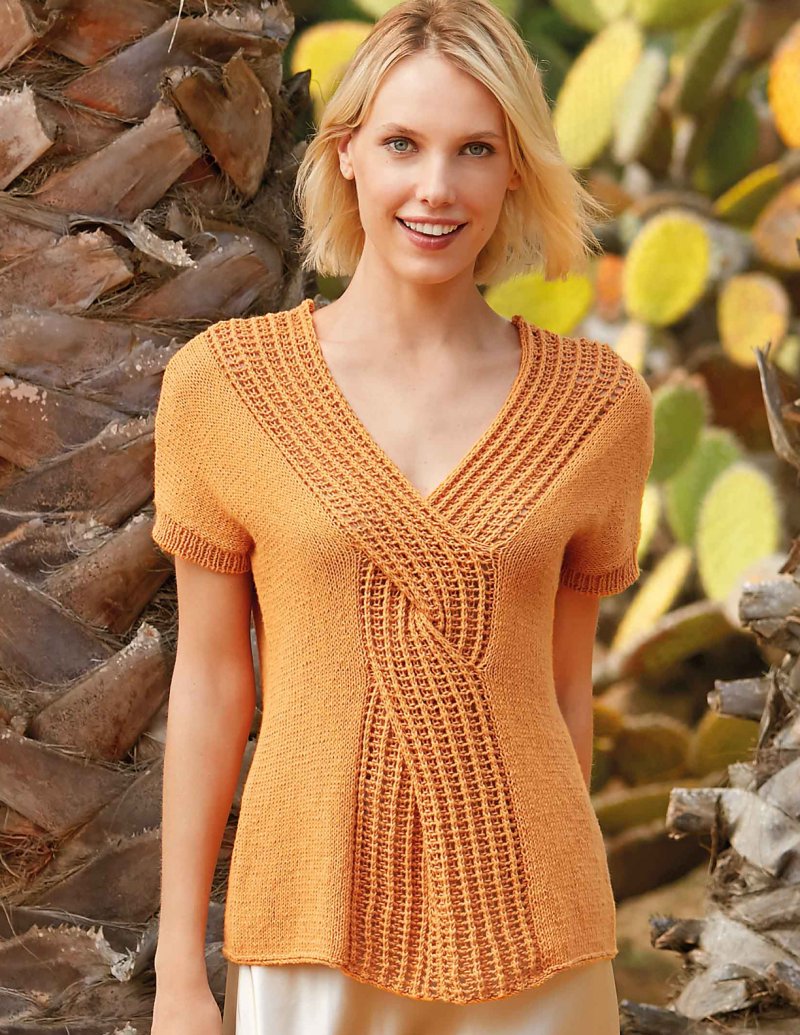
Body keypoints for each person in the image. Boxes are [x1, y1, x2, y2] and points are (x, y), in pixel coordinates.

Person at [150, 1, 655, 1033]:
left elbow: (566, 693)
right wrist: (176, 972)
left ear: (514, 170)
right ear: (345, 155)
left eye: (475, 149)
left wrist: (530, 894)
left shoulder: (598, 406)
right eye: (401, 144)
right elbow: (210, 684)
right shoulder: (225, 387)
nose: (436, 188)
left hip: (535, 941)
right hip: (308, 928)